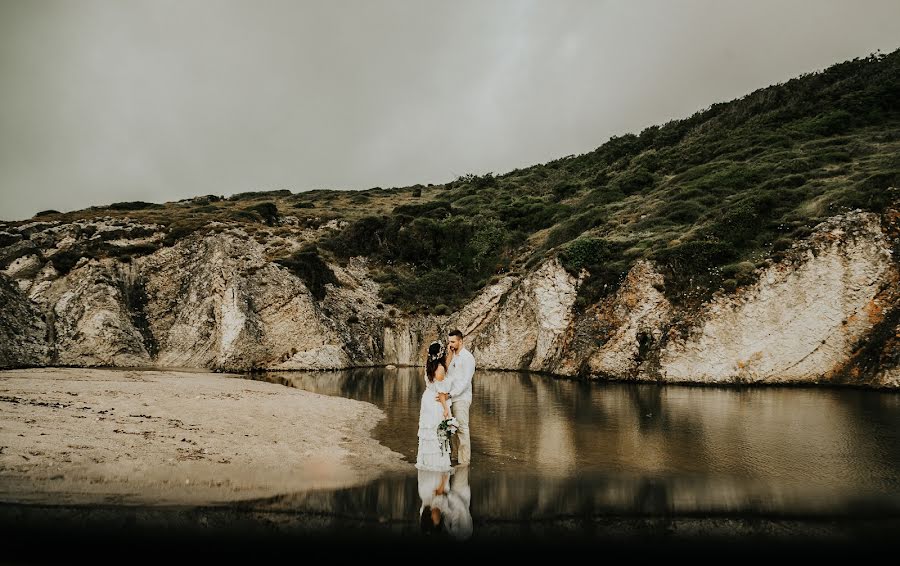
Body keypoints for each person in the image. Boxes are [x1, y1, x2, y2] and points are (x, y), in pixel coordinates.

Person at [415, 340, 453, 472]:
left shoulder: (429, 365)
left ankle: (427, 461)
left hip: (427, 399)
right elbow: (441, 392)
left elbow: (444, 366)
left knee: (429, 431)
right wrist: (446, 409)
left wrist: (450, 353)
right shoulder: (440, 368)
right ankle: (438, 464)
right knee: (438, 431)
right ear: (440, 354)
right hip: (436, 402)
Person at [441, 329, 476, 466]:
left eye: (453, 342)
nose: (450, 344)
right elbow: (444, 373)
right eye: (449, 341)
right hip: (449, 399)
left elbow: (465, 382)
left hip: (461, 397)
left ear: (460, 341)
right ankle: (455, 456)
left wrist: (450, 394)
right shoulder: (452, 356)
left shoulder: (467, 358)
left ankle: (464, 461)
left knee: (462, 428)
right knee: (452, 428)